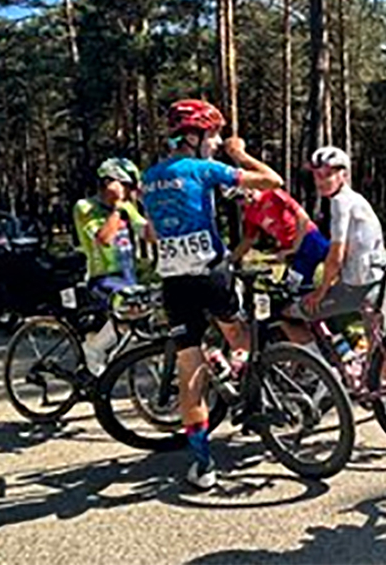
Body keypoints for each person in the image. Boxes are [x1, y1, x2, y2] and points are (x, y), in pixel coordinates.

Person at [142, 98, 282, 491]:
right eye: (214, 135)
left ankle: (203, 466)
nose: (218, 142)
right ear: (193, 136)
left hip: (174, 283)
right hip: (211, 274)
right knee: (241, 336)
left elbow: (151, 232)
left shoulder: (148, 178)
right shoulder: (204, 169)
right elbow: (273, 182)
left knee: (189, 373)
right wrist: (240, 154)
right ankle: (254, 398)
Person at [278, 146, 386, 347]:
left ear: (343, 175)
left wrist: (321, 291)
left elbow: (336, 253)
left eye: (327, 175)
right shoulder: (357, 199)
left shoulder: (339, 202)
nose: (321, 181)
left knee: (290, 313)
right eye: (317, 175)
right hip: (378, 278)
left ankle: (315, 363)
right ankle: (379, 370)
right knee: (378, 345)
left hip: (357, 287)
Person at [73, 157, 151, 375]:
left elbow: (149, 234)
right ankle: (93, 348)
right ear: (109, 183)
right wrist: (117, 209)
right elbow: (104, 238)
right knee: (128, 309)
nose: (128, 192)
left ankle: (109, 354)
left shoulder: (127, 207)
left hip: (127, 276)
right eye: (126, 186)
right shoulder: (85, 207)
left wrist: (149, 204)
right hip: (102, 277)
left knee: (142, 313)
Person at [227, 184, 329, 295]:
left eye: (240, 197)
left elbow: (302, 218)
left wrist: (295, 247)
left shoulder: (274, 195)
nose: (241, 202)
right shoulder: (250, 214)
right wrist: (230, 260)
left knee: (335, 262)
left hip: (308, 237)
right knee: (296, 288)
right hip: (291, 248)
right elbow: (249, 239)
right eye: (236, 200)